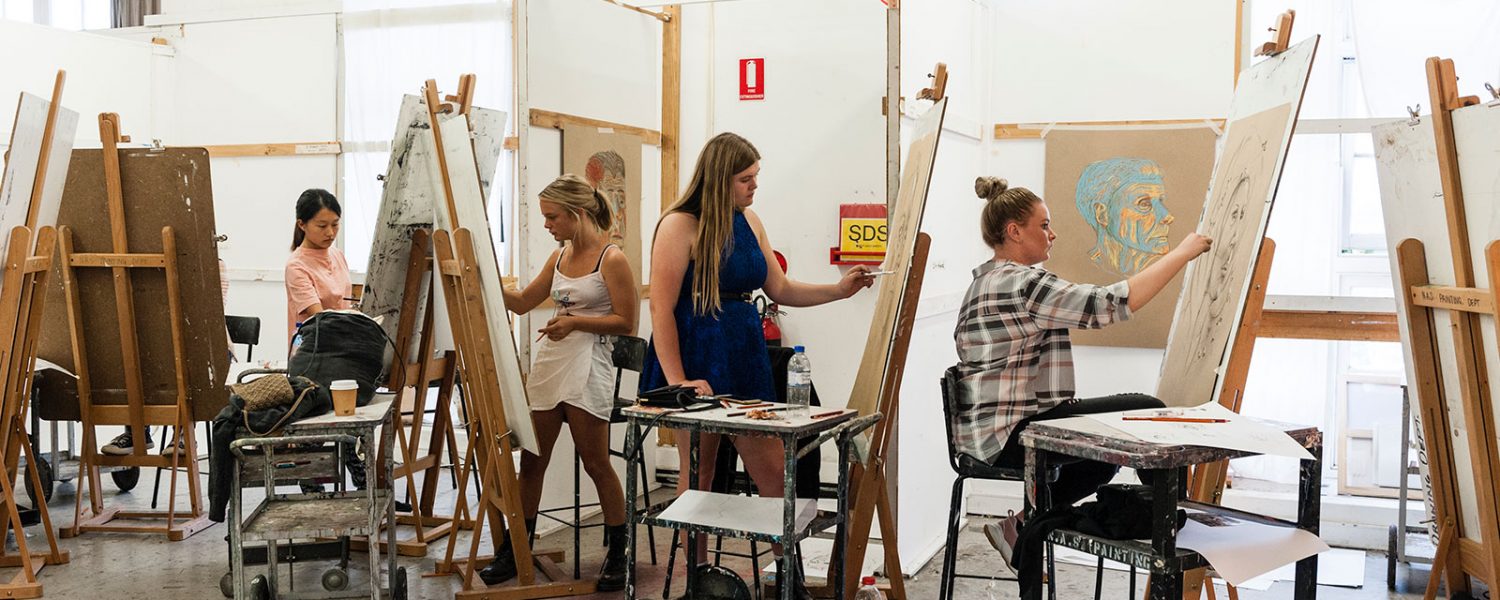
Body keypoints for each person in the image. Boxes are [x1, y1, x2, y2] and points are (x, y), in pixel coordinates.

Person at [640, 132, 875, 592]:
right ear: (718, 179)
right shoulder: (679, 225)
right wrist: (679, 381)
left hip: (744, 353)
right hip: (697, 355)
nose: (754, 186)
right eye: (745, 178)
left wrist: (839, 291)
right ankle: (699, 582)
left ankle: (788, 577)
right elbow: (661, 308)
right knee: (699, 472)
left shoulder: (749, 220)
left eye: (756, 177)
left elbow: (780, 288)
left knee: (771, 470)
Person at [951, 176, 1211, 569]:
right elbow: (1109, 304)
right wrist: (1181, 253)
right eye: (1044, 225)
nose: (1052, 234)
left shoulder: (984, 281)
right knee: (1146, 410)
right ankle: (1171, 535)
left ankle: (1019, 526)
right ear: (1014, 231)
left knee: (1105, 456)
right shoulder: (1022, 284)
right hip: (1011, 434)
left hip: (985, 433)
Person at [481, 174, 638, 590]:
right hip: (553, 363)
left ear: (577, 214)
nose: (547, 225)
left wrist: (574, 323)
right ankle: (516, 550)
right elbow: (523, 303)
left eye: (552, 217)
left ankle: (619, 553)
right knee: (532, 461)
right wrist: (485, 279)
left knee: (595, 462)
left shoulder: (611, 259)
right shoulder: (559, 256)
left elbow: (627, 322)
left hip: (588, 365)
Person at [1074, 158, 1173, 276]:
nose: (1167, 216)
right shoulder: (1080, 273)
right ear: (1102, 214)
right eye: (1144, 204)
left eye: (1160, 201)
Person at [284, 188, 352, 340]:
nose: (330, 233)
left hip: (344, 342)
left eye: (335, 224)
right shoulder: (296, 266)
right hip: (314, 347)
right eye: (322, 226)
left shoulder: (338, 255)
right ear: (302, 224)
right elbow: (319, 318)